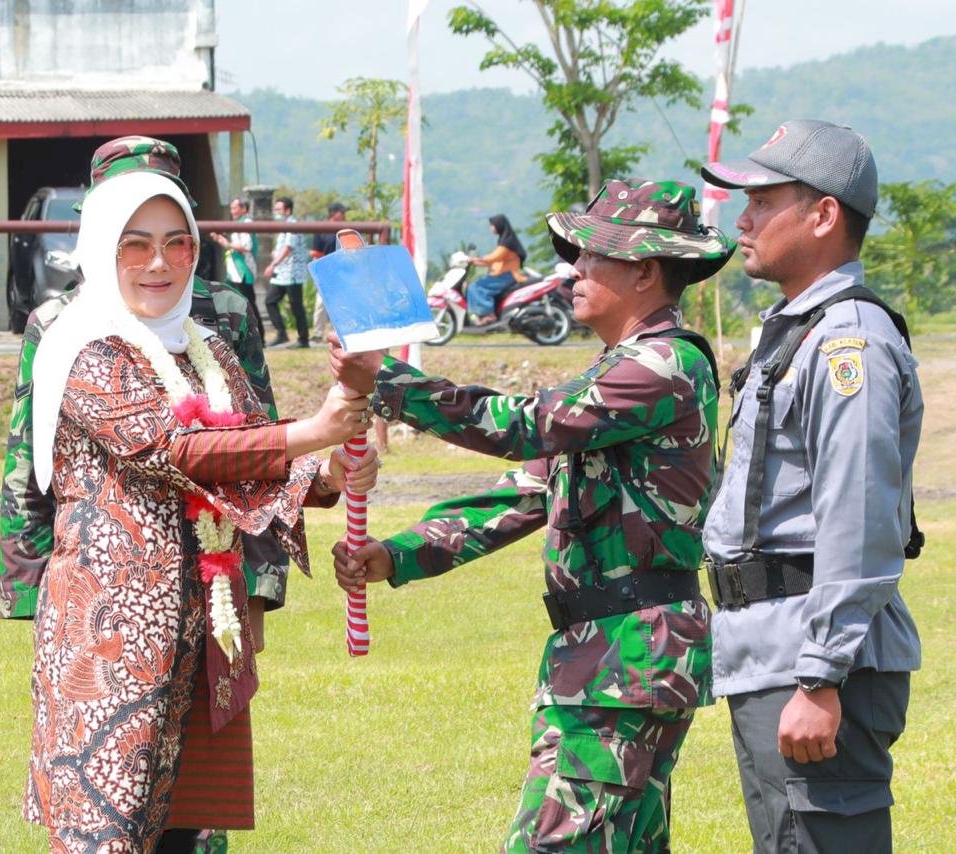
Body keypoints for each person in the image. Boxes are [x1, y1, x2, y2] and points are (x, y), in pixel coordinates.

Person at [330, 180, 735, 851]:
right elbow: (525, 493)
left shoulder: (663, 364)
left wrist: (391, 386)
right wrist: (398, 553)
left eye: (591, 256)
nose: (571, 270)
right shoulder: (626, 366)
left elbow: (529, 426)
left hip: (626, 659)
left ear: (644, 269)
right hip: (614, 655)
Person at [21, 143, 379, 851]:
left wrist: (333, 471)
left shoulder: (207, 347)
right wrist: (312, 432)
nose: (159, 264)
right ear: (101, 248)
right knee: (108, 830)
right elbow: (170, 451)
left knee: (188, 832)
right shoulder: (82, 344)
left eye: (176, 243)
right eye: (136, 246)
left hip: (204, 629)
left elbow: (250, 450)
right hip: (112, 636)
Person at [699, 119, 924, 853]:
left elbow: (858, 516)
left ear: (823, 215)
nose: (745, 220)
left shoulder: (845, 342)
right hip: (773, 650)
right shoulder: (798, 330)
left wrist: (823, 677)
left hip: (814, 661)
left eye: (764, 201)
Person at [208, 196, 262, 340]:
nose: (232, 211)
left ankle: (259, 336)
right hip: (235, 271)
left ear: (244, 209)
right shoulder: (239, 223)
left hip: (243, 270)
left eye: (235, 207)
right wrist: (220, 239)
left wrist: (227, 244)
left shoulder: (246, 223)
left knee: (249, 304)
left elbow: (245, 247)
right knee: (233, 303)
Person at [262, 195, 310, 348]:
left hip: (293, 273)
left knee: (296, 305)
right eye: (275, 209)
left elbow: (288, 249)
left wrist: (272, 264)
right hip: (282, 273)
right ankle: (282, 334)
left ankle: (303, 339)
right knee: (270, 301)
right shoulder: (283, 226)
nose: (276, 212)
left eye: (278, 209)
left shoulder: (293, 225)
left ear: (287, 210)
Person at [466, 213, 527, 325]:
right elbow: (494, 261)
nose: (491, 228)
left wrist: (474, 259)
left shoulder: (507, 242)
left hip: (507, 275)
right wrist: (475, 261)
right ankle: (482, 314)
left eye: (492, 225)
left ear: (499, 225)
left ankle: (489, 314)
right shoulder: (504, 239)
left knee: (475, 287)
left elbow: (494, 257)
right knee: (475, 285)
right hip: (501, 274)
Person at [308, 201, 347, 342]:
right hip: (324, 270)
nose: (343, 215)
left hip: (340, 272)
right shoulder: (322, 229)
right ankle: (318, 333)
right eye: (341, 212)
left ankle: (339, 332)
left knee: (340, 303)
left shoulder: (344, 230)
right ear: (334, 214)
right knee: (321, 304)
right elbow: (315, 252)